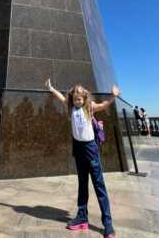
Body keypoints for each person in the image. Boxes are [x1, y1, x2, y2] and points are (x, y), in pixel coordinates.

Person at [45, 78, 119, 237]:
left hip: (90, 148)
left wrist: (113, 96)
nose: (77, 101)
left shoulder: (89, 107)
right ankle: (82, 216)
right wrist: (51, 88)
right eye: (75, 99)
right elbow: (61, 98)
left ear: (85, 98)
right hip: (78, 148)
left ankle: (107, 222)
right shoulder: (71, 107)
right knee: (82, 183)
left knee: (99, 184)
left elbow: (104, 105)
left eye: (80, 99)